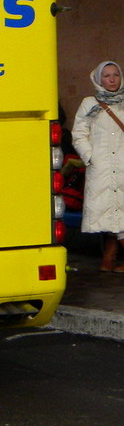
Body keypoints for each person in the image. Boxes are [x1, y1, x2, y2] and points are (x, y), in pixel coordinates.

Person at [72, 61, 124, 272]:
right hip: (101, 167)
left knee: (119, 212)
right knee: (109, 211)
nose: (112, 79)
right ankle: (108, 260)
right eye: (107, 76)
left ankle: (108, 260)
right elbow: (79, 133)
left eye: (116, 75)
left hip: (122, 166)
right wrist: (90, 157)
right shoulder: (89, 103)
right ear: (98, 79)